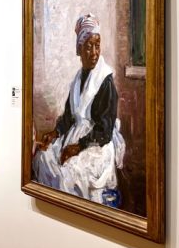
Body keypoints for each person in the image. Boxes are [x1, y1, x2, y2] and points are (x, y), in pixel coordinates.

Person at [31, 13, 125, 207]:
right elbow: (69, 116)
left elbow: (105, 130)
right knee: (43, 157)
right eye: (88, 46)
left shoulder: (105, 81)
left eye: (97, 45)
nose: (94, 52)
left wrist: (77, 147)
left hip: (96, 145)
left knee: (69, 171)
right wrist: (55, 132)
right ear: (79, 49)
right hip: (76, 137)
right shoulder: (77, 79)